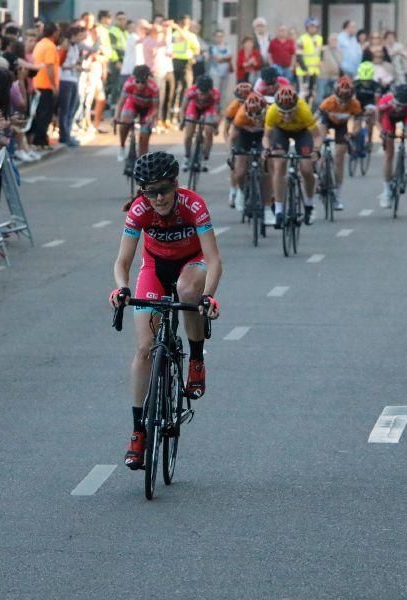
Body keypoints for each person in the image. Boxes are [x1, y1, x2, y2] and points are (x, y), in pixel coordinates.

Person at [110, 151, 222, 470]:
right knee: (144, 347)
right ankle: (138, 432)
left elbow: (214, 260)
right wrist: (121, 288)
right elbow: (122, 262)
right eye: (149, 191)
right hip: (155, 266)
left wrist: (209, 296)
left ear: (175, 184)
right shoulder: (140, 209)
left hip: (192, 263)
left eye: (163, 189)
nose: (157, 198)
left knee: (188, 291)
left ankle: (196, 359)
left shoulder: (193, 205)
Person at [263, 85, 321, 228]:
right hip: (280, 132)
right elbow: (266, 136)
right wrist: (267, 149)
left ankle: (309, 205)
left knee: (306, 169)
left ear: (296, 107)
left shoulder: (304, 110)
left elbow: (317, 136)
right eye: (283, 113)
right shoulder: (272, 112)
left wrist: (316, 150)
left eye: (291, 112)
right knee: (279, 164)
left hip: (302, 133)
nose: (287, 116)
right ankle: (279, 211)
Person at [376, 83, 407, 208]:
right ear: (393, 97)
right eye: (398, 104)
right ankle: (386, 191)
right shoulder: (385, 102)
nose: (399, 107)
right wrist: (381, 131)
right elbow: (377, 120)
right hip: (388, 119)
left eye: (403, 105)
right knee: (389, 155)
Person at [318, 76, 361, 211]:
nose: (343, 104)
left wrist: (352, 134)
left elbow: (357, 123)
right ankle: (318, 172)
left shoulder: (355, 104)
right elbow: (316, 120)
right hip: (326, 122)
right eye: (340, 100)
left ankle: (337, 194)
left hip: (341, 127)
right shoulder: (328, 103)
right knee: (317, 145)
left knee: (339, 155)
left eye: (346, 100)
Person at [226, 88, 264, 211]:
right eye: (251, 117)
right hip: (244, 135)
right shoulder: (240, 115)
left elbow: (272, 136)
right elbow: (232, 138)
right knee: (240, 170)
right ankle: (241, 192)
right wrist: (231, 154)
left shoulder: (270, 113)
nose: (255, 120)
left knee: (266, 162)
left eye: (258, 116)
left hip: (262, 136)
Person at [114, 65, 159, 160]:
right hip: (133, 105)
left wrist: (151, 117)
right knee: (124, 122)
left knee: (144, 137)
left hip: (147, 109)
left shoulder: (154, 88)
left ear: (148, 79)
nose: (139, 85)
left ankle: (142, 160)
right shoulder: (128, 84)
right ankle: (122, 147)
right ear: (133, 78)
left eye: (143, 82)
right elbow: (120, 103)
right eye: (137, 81)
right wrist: (116, 116)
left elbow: (155, 109)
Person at [179, 74, 221, 172]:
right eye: (200, 93)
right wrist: (182, 121)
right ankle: (186, 157)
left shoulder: (216, 94)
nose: (202, 97)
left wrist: (216, 126)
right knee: (189, 133)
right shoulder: (191, 91)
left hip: (209, 109)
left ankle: (205, 158)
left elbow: (218, 114)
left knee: (208, 131)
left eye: (205, 94)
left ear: (210, 90)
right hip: (194, 108)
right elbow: (183, 108)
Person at [28, 22, 60, 148]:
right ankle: (40, 141)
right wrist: (53, 85)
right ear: (54, 33)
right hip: (45, 85)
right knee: (44, 115)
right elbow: (50, 66)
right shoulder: (50, 46)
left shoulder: (40, 44)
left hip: (38, 83)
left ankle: (40, 140)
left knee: (41, 113)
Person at [296, 18, 323, 104]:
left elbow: (319, 53)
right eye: (311, 26)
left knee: (312, 93)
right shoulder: (301, 39)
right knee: (303, 92)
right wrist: (305, 69)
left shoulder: (319, 38)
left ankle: (309, 110)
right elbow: (299, 56)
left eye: (315, 26)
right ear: (307, 27)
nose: (313, 28)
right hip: (304, 72)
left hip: (315, 71)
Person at [207, 30, 232, 102]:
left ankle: (221, 110)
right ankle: (214, 108)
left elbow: (230, 56)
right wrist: (225, 57)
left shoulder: (228, 46)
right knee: (215, 91)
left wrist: (221, 58)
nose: (219, 38)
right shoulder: (212, 47)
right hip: (215, 73)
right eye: (217, 36)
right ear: (214, 37)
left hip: (226, 72)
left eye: (221, 36)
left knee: (223, 92)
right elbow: (217, 58)